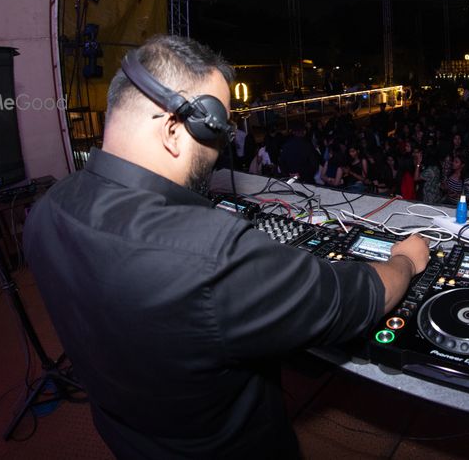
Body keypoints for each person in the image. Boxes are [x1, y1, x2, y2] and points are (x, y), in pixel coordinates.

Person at [24, 36, 431, 459]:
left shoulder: (46, 211)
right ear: (173, 130)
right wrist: (404, 259)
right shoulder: (211, 254)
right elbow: (354, 297)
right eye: (216, 130)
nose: (220, 150)